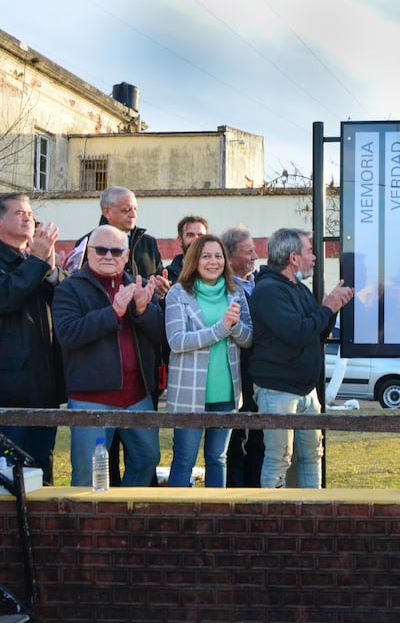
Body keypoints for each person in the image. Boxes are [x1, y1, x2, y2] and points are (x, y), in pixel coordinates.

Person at [52, 225, 166, 487]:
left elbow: (161, 334)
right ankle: (87, 526)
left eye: (116, 251)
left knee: (148, 458)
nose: (108, 256)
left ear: (126, 256)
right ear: (89, 252)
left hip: (138, 396)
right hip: (91, 398)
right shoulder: (69, 288)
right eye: (100, 250)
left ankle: (123, 515)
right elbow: (69, 334)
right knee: (88, 475)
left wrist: (140, 310)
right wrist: (113, 312)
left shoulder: (139, 285)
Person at [249, 228, 353, 489]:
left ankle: (312, 519)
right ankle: (275, 522)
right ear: (293, 258)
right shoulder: (269, 290)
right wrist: (328, 306)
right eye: (310, 251)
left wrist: (333, 308)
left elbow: (315, 333)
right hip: (278, 392)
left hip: (307, 392)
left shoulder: (299, 290)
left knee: (312, 456)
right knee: (278, 459)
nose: (315, 257)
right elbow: (296, 333)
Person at [165, 234, 252, 487]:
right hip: (188, 395)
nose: (213, 262)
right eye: (206, 256)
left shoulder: (235, 293)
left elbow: (248, 338)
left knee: (218, 458)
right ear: (194, 260)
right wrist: (221, 328)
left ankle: (217, 519)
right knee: (184, 460)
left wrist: (233, 327)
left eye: (218, 256)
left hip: (226, 393)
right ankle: (179, 519)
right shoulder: (178, 294)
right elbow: (177, 341)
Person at [0, 193, 66, 484]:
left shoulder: (35, 260)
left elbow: (64, 298)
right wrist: (38, 261)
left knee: (42, 473)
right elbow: (6, 298)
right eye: (19, 213)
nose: (29, 217)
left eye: (30, 213)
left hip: (45, 386)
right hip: (10, 388)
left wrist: (51, 270)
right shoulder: (26, 261)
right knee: (10, 472)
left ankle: (43, 530)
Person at [221, 225, 263, 487]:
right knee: (237, 441)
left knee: (260, 439)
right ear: (230, 256)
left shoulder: (262, 284)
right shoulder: (222, 289)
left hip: (262, 374)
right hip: (234, 375)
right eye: (248, 252)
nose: (255, 257)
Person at [164, 215, 208, 281]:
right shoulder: (168, 276)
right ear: (180, 240)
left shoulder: (219, 273)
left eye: (200, 235)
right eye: (190, 235)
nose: (196, 239)